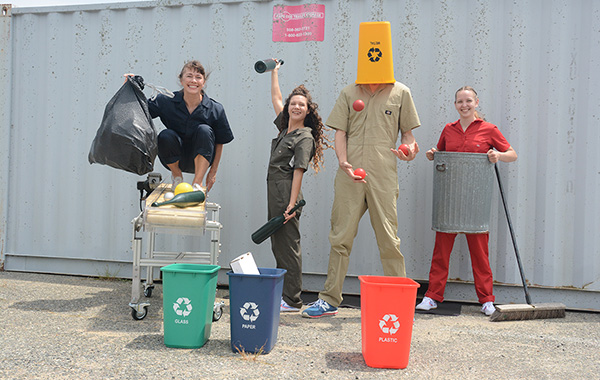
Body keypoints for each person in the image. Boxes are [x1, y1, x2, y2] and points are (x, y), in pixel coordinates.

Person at [302, 76, 421, 317]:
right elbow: (340, 131)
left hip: (383, 174)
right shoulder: (349, 92)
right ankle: (329, 299)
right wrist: (343, 161)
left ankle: (400, 302)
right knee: (340, 237)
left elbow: (408, 135)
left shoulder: (401, 92)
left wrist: (409, 150)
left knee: (389, 238)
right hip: (350, 174)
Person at [416, 86, 517, 316]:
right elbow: (440, 153)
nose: (464, 105)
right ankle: (432, 297)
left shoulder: (489, 130)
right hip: (449, 199)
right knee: (441, 252)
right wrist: (433, 153)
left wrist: (498, 155)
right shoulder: (448, 130)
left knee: (480, 254)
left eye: (468, 101)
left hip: (475, 201)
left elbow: (512, 153)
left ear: (476, 102)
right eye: (460, 101)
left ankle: (487, 300)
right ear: (455, 105)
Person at [267, 61, 328, 312]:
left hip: (286, 192)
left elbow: (299, 171)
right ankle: (286, 295)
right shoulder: (285, 127)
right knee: (278, 244)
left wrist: (291, 204)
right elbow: (276, 97)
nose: (295, 107)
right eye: (293, 103)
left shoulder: (304, 136)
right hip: (275, 190)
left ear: (307, 110)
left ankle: (292, 299)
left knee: (288, 245)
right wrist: (275, 73)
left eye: (301, 105)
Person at [146, 60, 233, 192]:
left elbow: (220, 142)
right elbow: (140, 110)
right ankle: (177, 176)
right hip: (173, 158)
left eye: (198, 77)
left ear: (203, 82)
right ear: (181, 80)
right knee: (165, 135)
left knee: (204, 130)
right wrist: (131, 86)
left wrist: (213, 172)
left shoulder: (215, 109)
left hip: (201, 160)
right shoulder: (166, 100)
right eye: (189, 76)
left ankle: (196, 184)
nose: (193, 80)